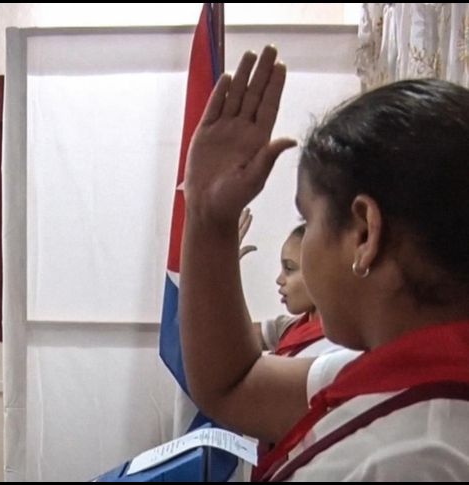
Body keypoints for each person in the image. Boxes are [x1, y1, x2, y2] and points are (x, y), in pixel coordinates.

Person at [180, 45, 469, 481]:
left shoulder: (409, 459)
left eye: (307, 219)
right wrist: (208, 217)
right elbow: (235, 384)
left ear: (364, 234)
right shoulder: (412, 375)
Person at [254, 223, 338, 357]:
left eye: (289, 268)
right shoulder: (290, 327)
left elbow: (251, 367)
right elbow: (233, 335)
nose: (279, 280)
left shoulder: (335, 347)